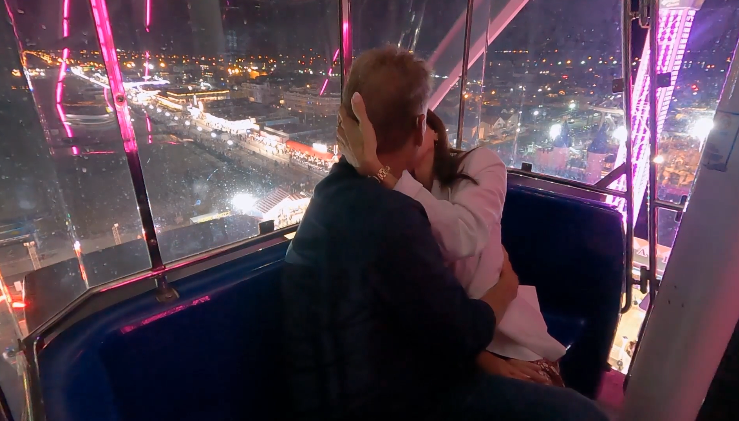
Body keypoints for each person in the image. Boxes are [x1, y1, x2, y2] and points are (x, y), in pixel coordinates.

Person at [281, 46, 607, 420]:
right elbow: (459, 332)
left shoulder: (330, 195)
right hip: (393, 400)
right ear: (421, 126)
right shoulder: (392, 215)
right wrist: (506, 289)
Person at [338, 98, 567, 386]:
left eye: (418, 125)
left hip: (503, 330)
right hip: (448, 340)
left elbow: (464, 234)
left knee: (549, 396)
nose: (414, 135)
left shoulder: (479, 164)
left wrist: (385, 174)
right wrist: (481, 357)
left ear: (432, 130)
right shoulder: (384, 198)